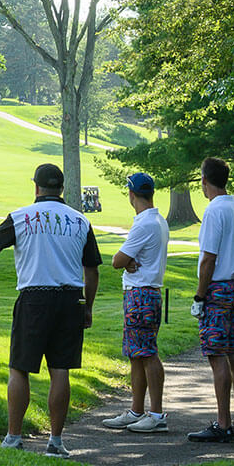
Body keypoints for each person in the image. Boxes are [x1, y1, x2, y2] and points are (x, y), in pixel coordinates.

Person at [0, 163, 101, 457]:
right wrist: (88, 307)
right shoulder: (81, 221)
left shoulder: (21, 217)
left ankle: (13, 437)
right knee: (60, 370)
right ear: (62, 189)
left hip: (34, 299)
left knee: (19, 369)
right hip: (70, 300)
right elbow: (91, 270)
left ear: (36, 187)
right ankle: (55, 442)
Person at [189, 157, 234, 443]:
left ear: (205, 180)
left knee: (217, 358)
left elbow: (208, 260)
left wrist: (200, 295)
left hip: (219, 290)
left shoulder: (214, 211)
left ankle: (223, 424)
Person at [101, 173, 170, 434]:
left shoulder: (144, 224)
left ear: (131, 194)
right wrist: (128, 261)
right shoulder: (157, 220)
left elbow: (117, 260)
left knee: (147, 353)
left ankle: (155, 413)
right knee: (137, 355)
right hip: (144, 292)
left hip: (141, 294)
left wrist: (126, 261)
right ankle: (137, 410)